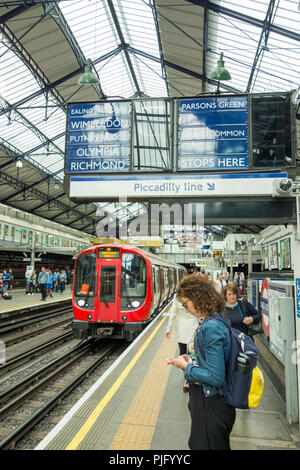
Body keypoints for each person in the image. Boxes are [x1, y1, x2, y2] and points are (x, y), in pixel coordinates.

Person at [167, 274, 236, 450]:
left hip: (210, 406)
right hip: (211, 404)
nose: (186, 310)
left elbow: (215, 377)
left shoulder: (211, 327)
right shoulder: (215, 319)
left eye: (186, 305)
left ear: (198, 298)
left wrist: (187, 367)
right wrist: (193, 360)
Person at [165, 295, 200, 392]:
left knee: (182, 353)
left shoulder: (177, 296)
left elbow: (173, 314)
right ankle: (188, 378)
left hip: (181, 328)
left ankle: (186, 376)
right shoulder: (194, 293)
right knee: (192, 353)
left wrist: (169, 329)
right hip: (193, 327)